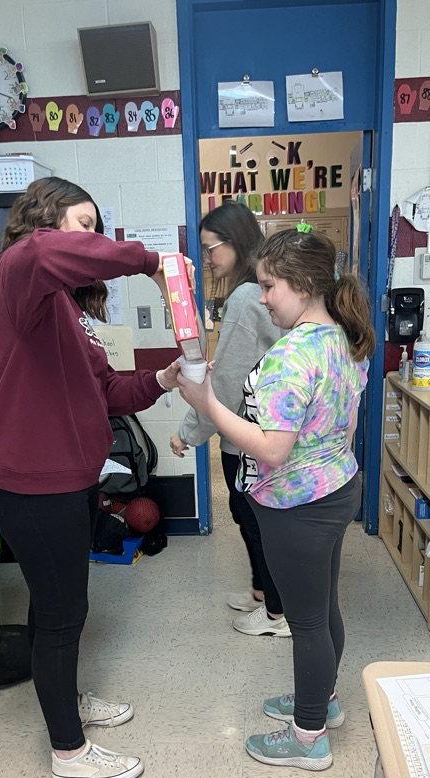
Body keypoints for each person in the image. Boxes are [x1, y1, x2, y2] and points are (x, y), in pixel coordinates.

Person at [0, 177, 191, 778]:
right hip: (29, 482)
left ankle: (65, 702)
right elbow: (46, 251)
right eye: (83, 223)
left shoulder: (66, 308)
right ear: (43, 220)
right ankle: (68, 753)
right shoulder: (21, 270)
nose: (91, 236)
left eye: (97, 224)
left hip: (66, 479)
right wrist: (151, 261)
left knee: (60, 608)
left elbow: (109, 392)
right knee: (65, 613)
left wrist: (166, 378)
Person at [177, 226, 375, 771]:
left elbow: (272, 450)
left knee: (307, 622)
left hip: (297, 504)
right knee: (323, 608)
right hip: (337, 486)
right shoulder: (347, 336)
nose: (261, 298)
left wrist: (207, 404)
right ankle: (323, 701)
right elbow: (342, 422)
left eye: (268, 287)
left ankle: (308, 737)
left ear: (302, 285)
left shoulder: (292, 356)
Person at [170, 203, 288, 637]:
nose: (206, 259)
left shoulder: (244, 296)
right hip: (259, 427)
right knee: (250, 518)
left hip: (248, 435)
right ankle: (263, 594)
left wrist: (189, 432)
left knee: (254, 522)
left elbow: (228, 383)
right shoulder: (253, 292)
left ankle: (277, 613)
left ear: (235, 243)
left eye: (210, 248)